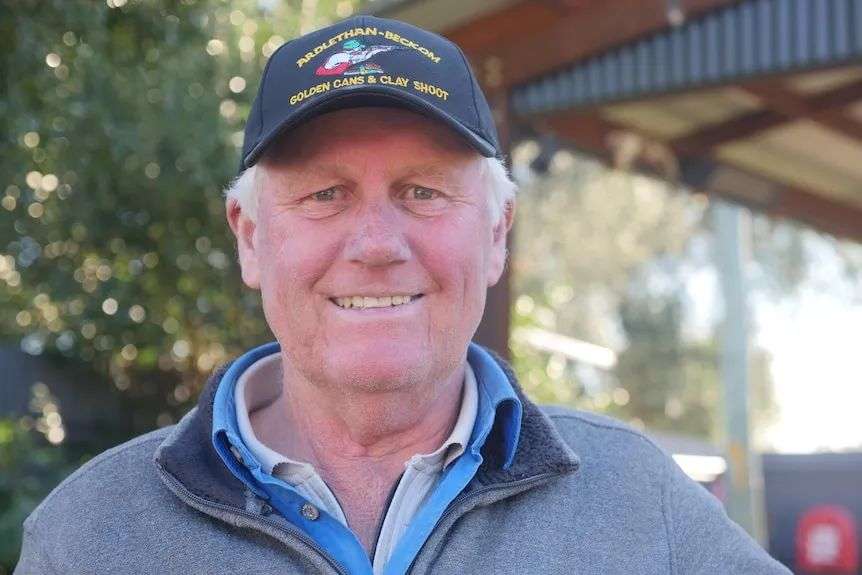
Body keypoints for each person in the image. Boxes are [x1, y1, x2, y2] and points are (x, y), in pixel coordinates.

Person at [15, 15, 791, 575]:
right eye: (324, 193)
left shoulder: (636, 502)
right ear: (250, 236)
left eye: (423, 191)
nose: (378, 244)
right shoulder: (89, 536)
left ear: (497, 234)